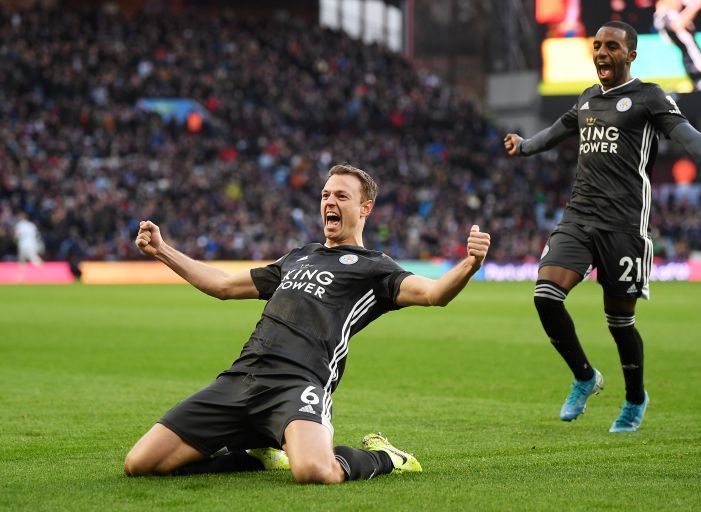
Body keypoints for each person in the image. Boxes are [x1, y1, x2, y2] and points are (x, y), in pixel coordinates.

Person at [124, 164, 491, 483]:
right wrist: (162, 250)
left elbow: (433, 294)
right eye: (325, 195)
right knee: (140, 464)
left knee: (315, 472)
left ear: (365, 208)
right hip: (242, 378)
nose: (330, 202)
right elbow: (222, 285)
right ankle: (252, 457)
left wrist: (468, 265)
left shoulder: (375, 268)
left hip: (297, 384)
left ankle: (386, 457)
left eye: (342, 197)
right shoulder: (299, 256)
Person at [503, 21, 701, 432]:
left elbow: (690, 138)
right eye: (597, 45)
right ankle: (584, 376)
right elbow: (555, 134)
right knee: (546, 296)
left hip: (625, 227)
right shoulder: (586, 100)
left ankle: (635, 399)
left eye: (611, 47)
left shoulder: (649, 98)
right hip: (579, 218)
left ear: (630, 55)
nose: (601, 52)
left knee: (620, 323)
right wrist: (523, 146)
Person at [14, 212, 43, 279]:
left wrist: (15, 240)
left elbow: (17, 235)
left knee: (22, 260)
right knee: (32, 258)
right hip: (32, 244)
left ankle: (21, 277)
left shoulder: (20, 224)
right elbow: (37, 235)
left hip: (23, 244)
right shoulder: (31, 225)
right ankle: (42, 271)